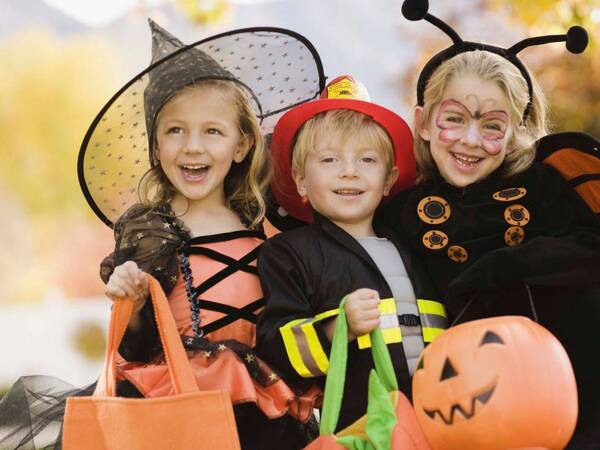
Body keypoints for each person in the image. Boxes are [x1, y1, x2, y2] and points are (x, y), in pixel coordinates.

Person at [0, 19, 325, 450]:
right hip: (173, 405)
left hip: (258, 409)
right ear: (156, 147)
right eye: (176, 130)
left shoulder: (266, 228)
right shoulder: (153, 232)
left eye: (212, 130)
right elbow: (135, 348)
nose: (193, 146)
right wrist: (131, 301)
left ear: (242, 144)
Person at [381, 2, 600, 448]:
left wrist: (502, 266)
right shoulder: (400, 211)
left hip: (581, 387)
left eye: (492, 126)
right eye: (454, 119)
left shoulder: (546, 184)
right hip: (470, 406)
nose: (470, 141)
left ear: (516, 130)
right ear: (423, 122)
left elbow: (589, 249)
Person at [256, 75, 446, 431]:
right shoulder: (288, 254)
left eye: (367, 160)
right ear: (300, 180)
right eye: (329, 160)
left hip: (440, 418)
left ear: (389, 179)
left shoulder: (417, 245)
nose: (349, 172)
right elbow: (274, 350)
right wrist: (336, 329)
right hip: (359, 428)